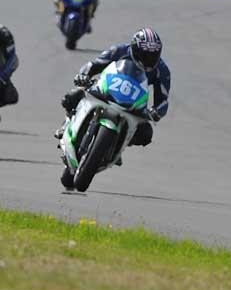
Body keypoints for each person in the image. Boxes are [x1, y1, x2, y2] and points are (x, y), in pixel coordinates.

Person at [55, 28, 170, 185]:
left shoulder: (162, 70)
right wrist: (84, 75)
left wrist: (156, 111)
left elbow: (163, 100)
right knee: (72, 96)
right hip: (106, 90)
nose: (149, 59)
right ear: (135, 49)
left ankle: (118, 141)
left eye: (153, 55)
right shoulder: (119, 50)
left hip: (132, 103)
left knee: (146, 134)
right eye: (145, 54)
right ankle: (67, 121)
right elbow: (94, 64)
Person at [0, 25, 19, 118]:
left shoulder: (4, 34)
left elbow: (13, 59)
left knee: (12, 96)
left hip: (0, 73)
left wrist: (2, 77)